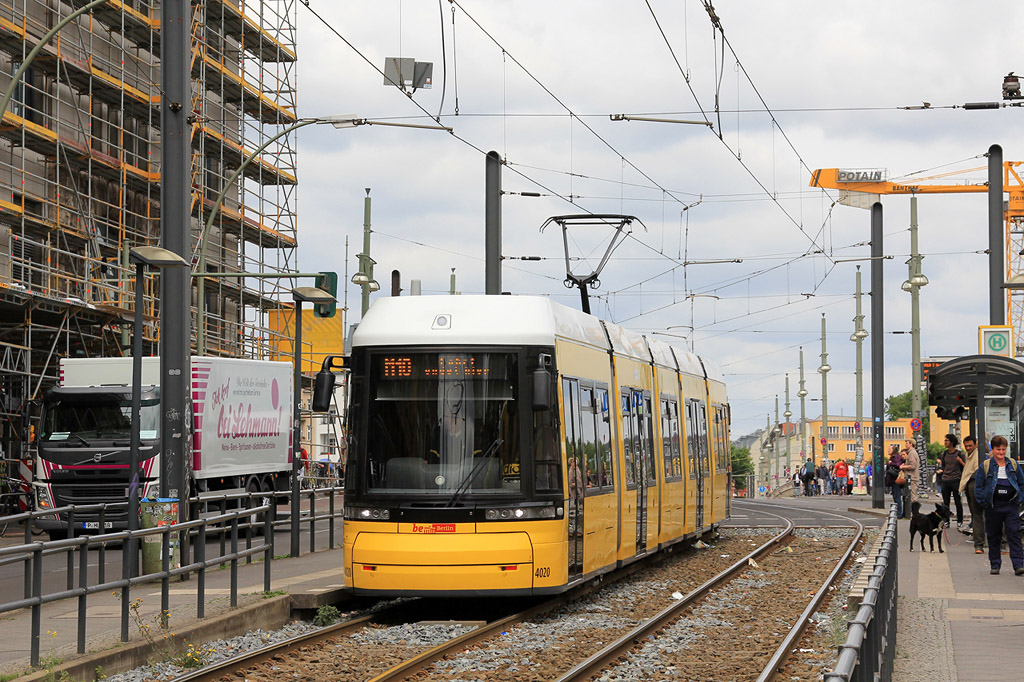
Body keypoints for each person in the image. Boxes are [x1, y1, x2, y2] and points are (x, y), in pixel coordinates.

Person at [975, 435, 1024, 575]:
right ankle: (995, 564)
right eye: (998, 450)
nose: (1001, 453)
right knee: (993, 535)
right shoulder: (986, 466)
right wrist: (984, 503)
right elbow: (979, 486)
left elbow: (1021, 483)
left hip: (1010, 505)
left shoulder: (1013, 465)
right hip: (993, 506)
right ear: (993, 449)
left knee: (1014, 533)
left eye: (1003, 450)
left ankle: (1018, 565)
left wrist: (1019, 499)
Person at [958, 435, 986, 554]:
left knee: (977, 513)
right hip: (971, 485)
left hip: (974, 485)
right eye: (966, 446)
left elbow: (973, 471)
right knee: (976, 513)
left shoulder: (977, 455)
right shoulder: (972, 455)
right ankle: (978, 538)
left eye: (970, 445)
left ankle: (979, 540)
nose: (968, 448)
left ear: (975, 445)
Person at [937, 434, 966, 527]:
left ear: (952, 442)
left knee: (958, 501)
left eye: (947, 440)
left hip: (956, 480)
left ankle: (960, 521)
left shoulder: (959, 454)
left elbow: (966, 466)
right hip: (945, 480)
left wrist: (960, 461)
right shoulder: (944, 454)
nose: (945, 442)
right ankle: (946, 521)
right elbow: (944, 466)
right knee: (946, 502)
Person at [900, 439, 920, 518]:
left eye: (907, 443)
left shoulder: (912, 453)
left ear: (911, 444)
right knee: (909, 496)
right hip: (911, 478)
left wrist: (903, 466)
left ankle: (914, 513)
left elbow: (913, 466)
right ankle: (911, 512)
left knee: (912, 496)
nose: (905, 445)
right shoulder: (911, 453)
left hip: (912, 478)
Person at [885, 444, 905, 518]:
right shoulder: (894, 457)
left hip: (895, 479)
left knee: (897, 497)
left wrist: (890, 463)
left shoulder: (896, 457)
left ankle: (899, 513)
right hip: (893, 479)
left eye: (890, 449)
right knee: (896, 497)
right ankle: (898, 512)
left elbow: (898, 464)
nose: (888, 450)